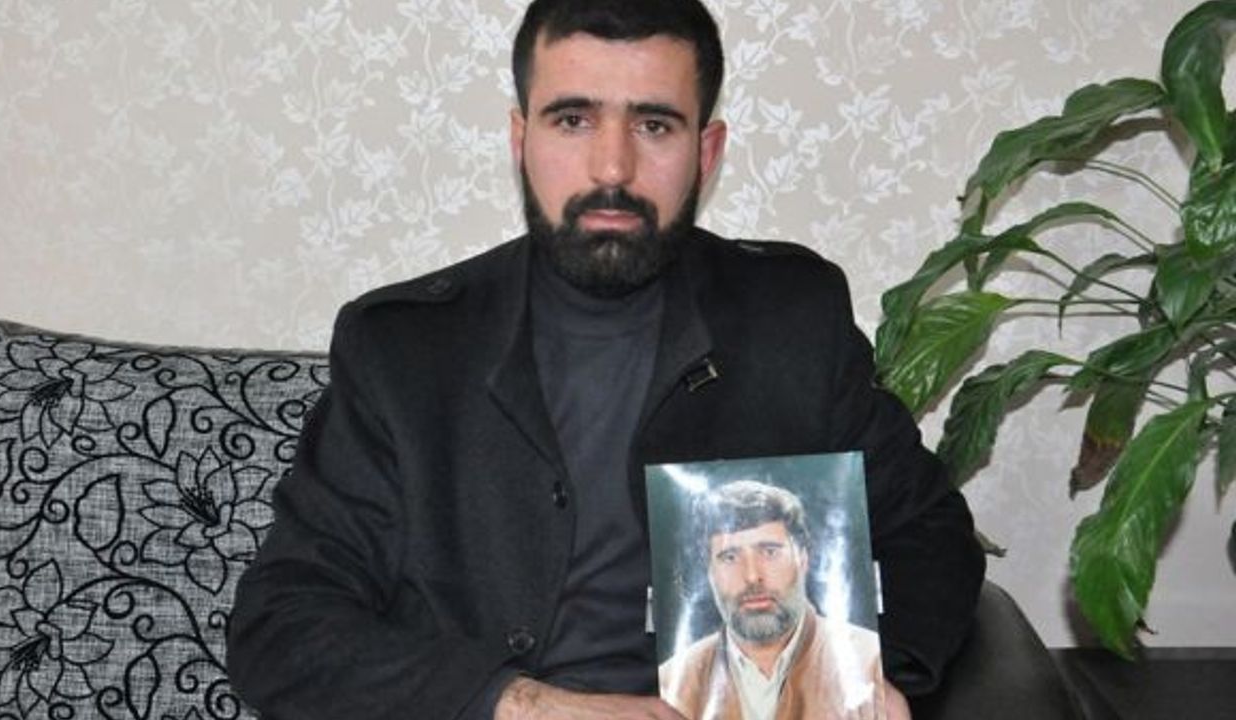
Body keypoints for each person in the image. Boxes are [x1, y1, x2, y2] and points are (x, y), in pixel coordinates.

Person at [226, 1, 985, 719]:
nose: (613, 167)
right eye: (573, 119)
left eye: (654, 125)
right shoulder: (405, 349)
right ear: (521, 140)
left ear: (706, 151)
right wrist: (522, 705)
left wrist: (874, 675)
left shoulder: (792, 318)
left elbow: (927, 533)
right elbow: (283, 624)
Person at [659, 481, 884, 720]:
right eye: (730, 557)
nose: (752, 576)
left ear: (803, 559)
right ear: (709, 572)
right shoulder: (670, 684)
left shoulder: (870, 664)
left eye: (769, 552)